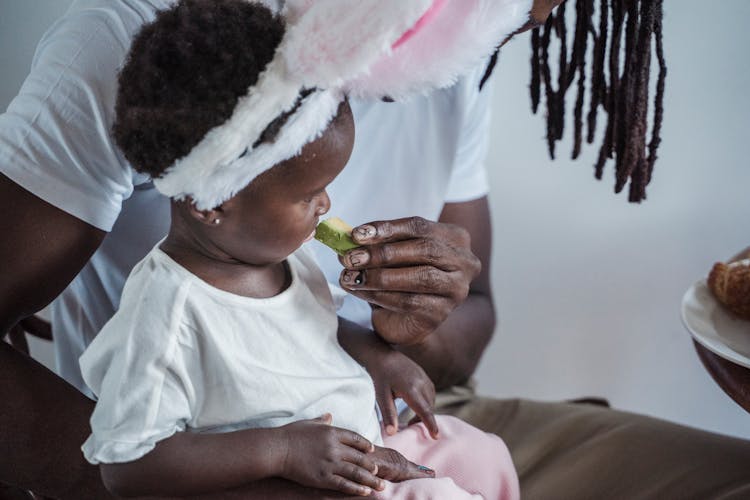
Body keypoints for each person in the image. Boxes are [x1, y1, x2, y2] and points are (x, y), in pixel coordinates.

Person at [0, 0, 748, 498]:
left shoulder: (456, 56)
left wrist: (402, 337)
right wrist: (268, 468)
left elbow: (452, 326)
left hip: (365, 418)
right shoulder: (147, 55)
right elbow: (125, 460)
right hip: (209, 456)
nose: (538, 15)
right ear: (210, 200)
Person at [77, 2, 519, 498]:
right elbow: (128, 467)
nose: (327, 204)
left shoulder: (286, 258)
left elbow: (318, 328)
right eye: (309, 196)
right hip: (302, 481)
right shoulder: (165, 314)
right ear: (214, 202)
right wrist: (281, 451)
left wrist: (380, 356)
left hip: (362, 443)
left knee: (483, 455)